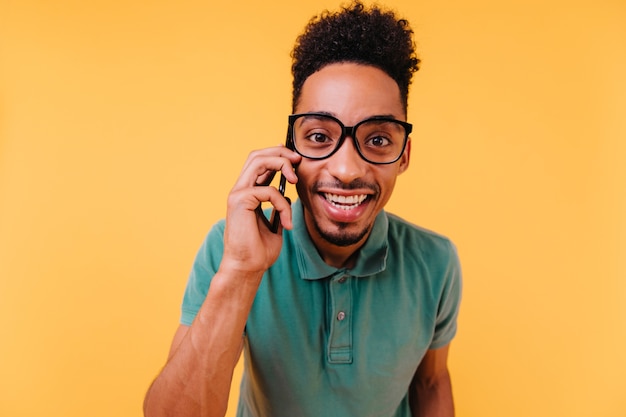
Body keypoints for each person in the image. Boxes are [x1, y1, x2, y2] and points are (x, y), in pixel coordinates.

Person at [143, 2, 462, 416]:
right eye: (318, 135)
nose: (346, 169)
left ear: (404, 155)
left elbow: (432, 380)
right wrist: (241, 272)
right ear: (289, 147)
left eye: (378, 139)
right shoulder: (229, 251)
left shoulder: (436, 262)